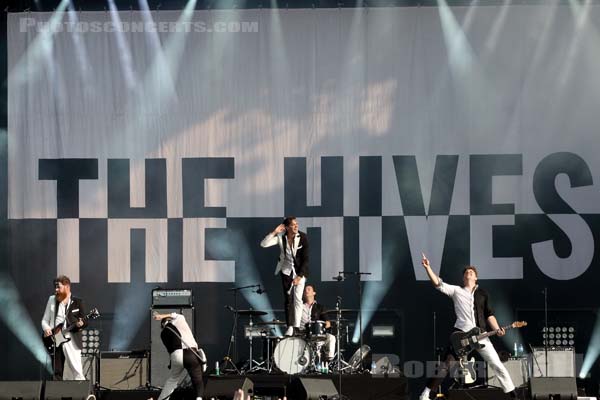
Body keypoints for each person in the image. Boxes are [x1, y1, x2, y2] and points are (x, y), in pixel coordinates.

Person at [419, 254, 516, 400]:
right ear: (463, 278)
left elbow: (489, 314)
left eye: (472, 272)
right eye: (466, 273)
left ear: (476, 278)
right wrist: (428, 268)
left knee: (497, 364)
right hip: (461, 335)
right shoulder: (456, 291)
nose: (468, 273)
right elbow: (438, 284)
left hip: (481, 335)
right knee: (447, 363)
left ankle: (514, 396)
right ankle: (426, 394)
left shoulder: (483, 294)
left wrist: (497, 329)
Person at [260, 216, 309, 336]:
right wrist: (274, 232)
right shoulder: (281, 238)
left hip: (299, 273)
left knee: (297, 299)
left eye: (297, 224)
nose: (296, 226)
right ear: (287, 227)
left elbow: (306, 259)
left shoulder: (302, 237)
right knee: (288, 300)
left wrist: (300, 276)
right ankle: (290, 325)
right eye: (293, 224)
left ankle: (295, 326)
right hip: (286, 271)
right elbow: (263, 244)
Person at [41, 275, 87, 380]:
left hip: (72, 339)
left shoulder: (77, 302)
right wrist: (46, 328)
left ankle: (84, 394)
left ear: (67, 286)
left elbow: (85, 321)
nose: (56, 289)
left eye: (58, 287)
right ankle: (56, 393)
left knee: (77, 370)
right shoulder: (52, 299)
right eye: (55, 287)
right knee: (56, 371)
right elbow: (44, 320)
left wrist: (82, 324)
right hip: (55, 338)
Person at [153, 312, 206, 400]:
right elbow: (174, 314)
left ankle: (162, 399)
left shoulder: (163, 334)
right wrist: (161, 316)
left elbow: (170, 351)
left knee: (173, 380)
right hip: (191, 353)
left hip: (176, 356)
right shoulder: (180, 320)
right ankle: (199, 398)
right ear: (169, 320)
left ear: (162, 325)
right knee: (198, 381)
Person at [300, 284, 336, 363]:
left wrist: (322, 328)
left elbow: (328, 323)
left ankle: (328, 361)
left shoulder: (320, 307)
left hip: (316, 334)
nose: (306, 290)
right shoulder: (299, 307)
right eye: (305, 290)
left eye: (309, 289)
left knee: (331, 338)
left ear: (314, 293)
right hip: (302, 333)